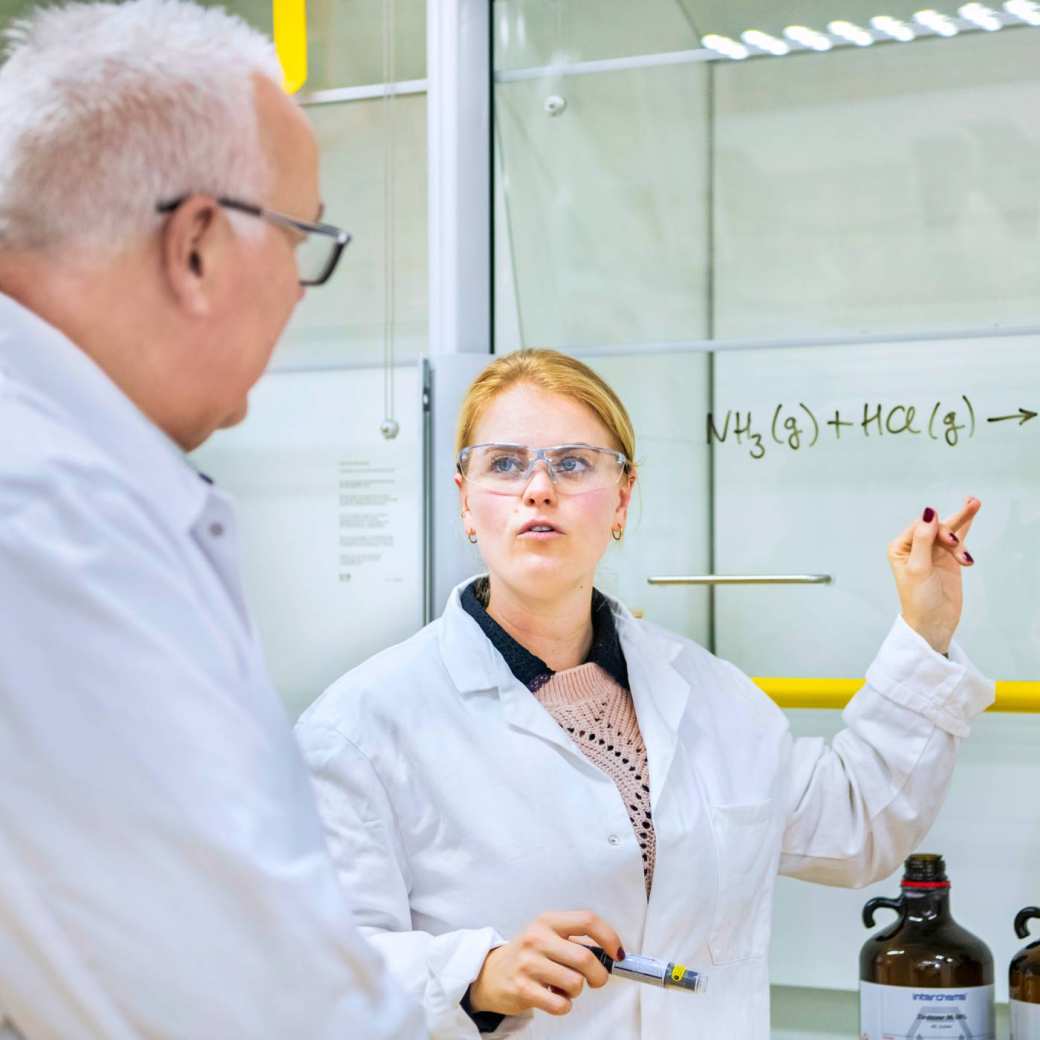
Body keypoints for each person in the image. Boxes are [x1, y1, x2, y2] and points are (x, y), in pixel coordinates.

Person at [296, 348, 994, 1039]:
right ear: (466, 502)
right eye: (505, 464)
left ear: (623, 498)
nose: (539, 489)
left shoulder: (708, 692)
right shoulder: (361, 726)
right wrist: (475, 976)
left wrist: (925, 631)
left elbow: (856, 825)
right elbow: (315, 975)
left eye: (572, 464)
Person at [0, 2, 423, 1036]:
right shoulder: (49, 516)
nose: (297, 292)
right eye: (302, 240)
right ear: (194, 245)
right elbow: (249, 1002)